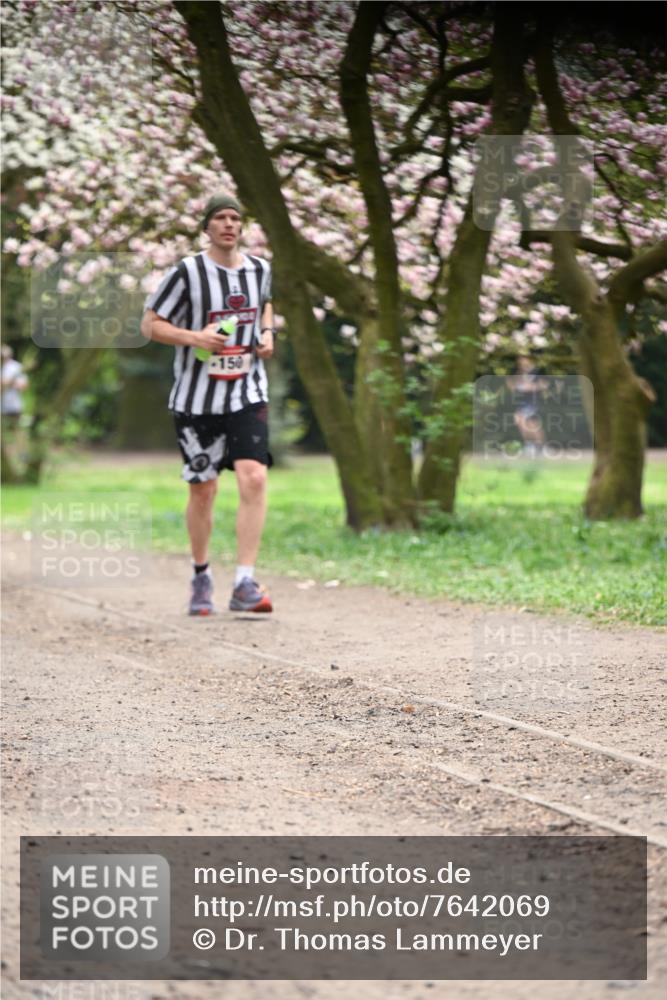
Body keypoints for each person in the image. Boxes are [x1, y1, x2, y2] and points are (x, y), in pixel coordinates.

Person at [141, 194, 275, 616]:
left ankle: (244, 583)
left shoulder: (259, 269)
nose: (229, 224)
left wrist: (267, 333)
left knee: (253, 478)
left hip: (247, 391)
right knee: (204, 489)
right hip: (197, 400)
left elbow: (265, 304)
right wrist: (196, 338)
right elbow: (150, 324)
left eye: (236, 218)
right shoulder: (187, 272)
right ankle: (201, 576)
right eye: (220, 218)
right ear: (207, 227)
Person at [506, 355, 548, 457]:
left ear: (529, 360)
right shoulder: (518, 373)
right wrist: (516, 386)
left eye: (523, 360)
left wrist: (532, 387)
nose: (521, 363)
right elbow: (510, 385)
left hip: (533, 402)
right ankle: (533, 446)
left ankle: (539, 447)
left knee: (532, 424)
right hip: (521, 402)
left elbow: (545, 385)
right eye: (520, 362)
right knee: (524, 423)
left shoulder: (538, 372)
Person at [1, 344, 28, 430]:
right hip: (1, 404)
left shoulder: (16, 367)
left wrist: (10, 383)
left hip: (14, 403)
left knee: (16, 428)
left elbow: (24, 385)